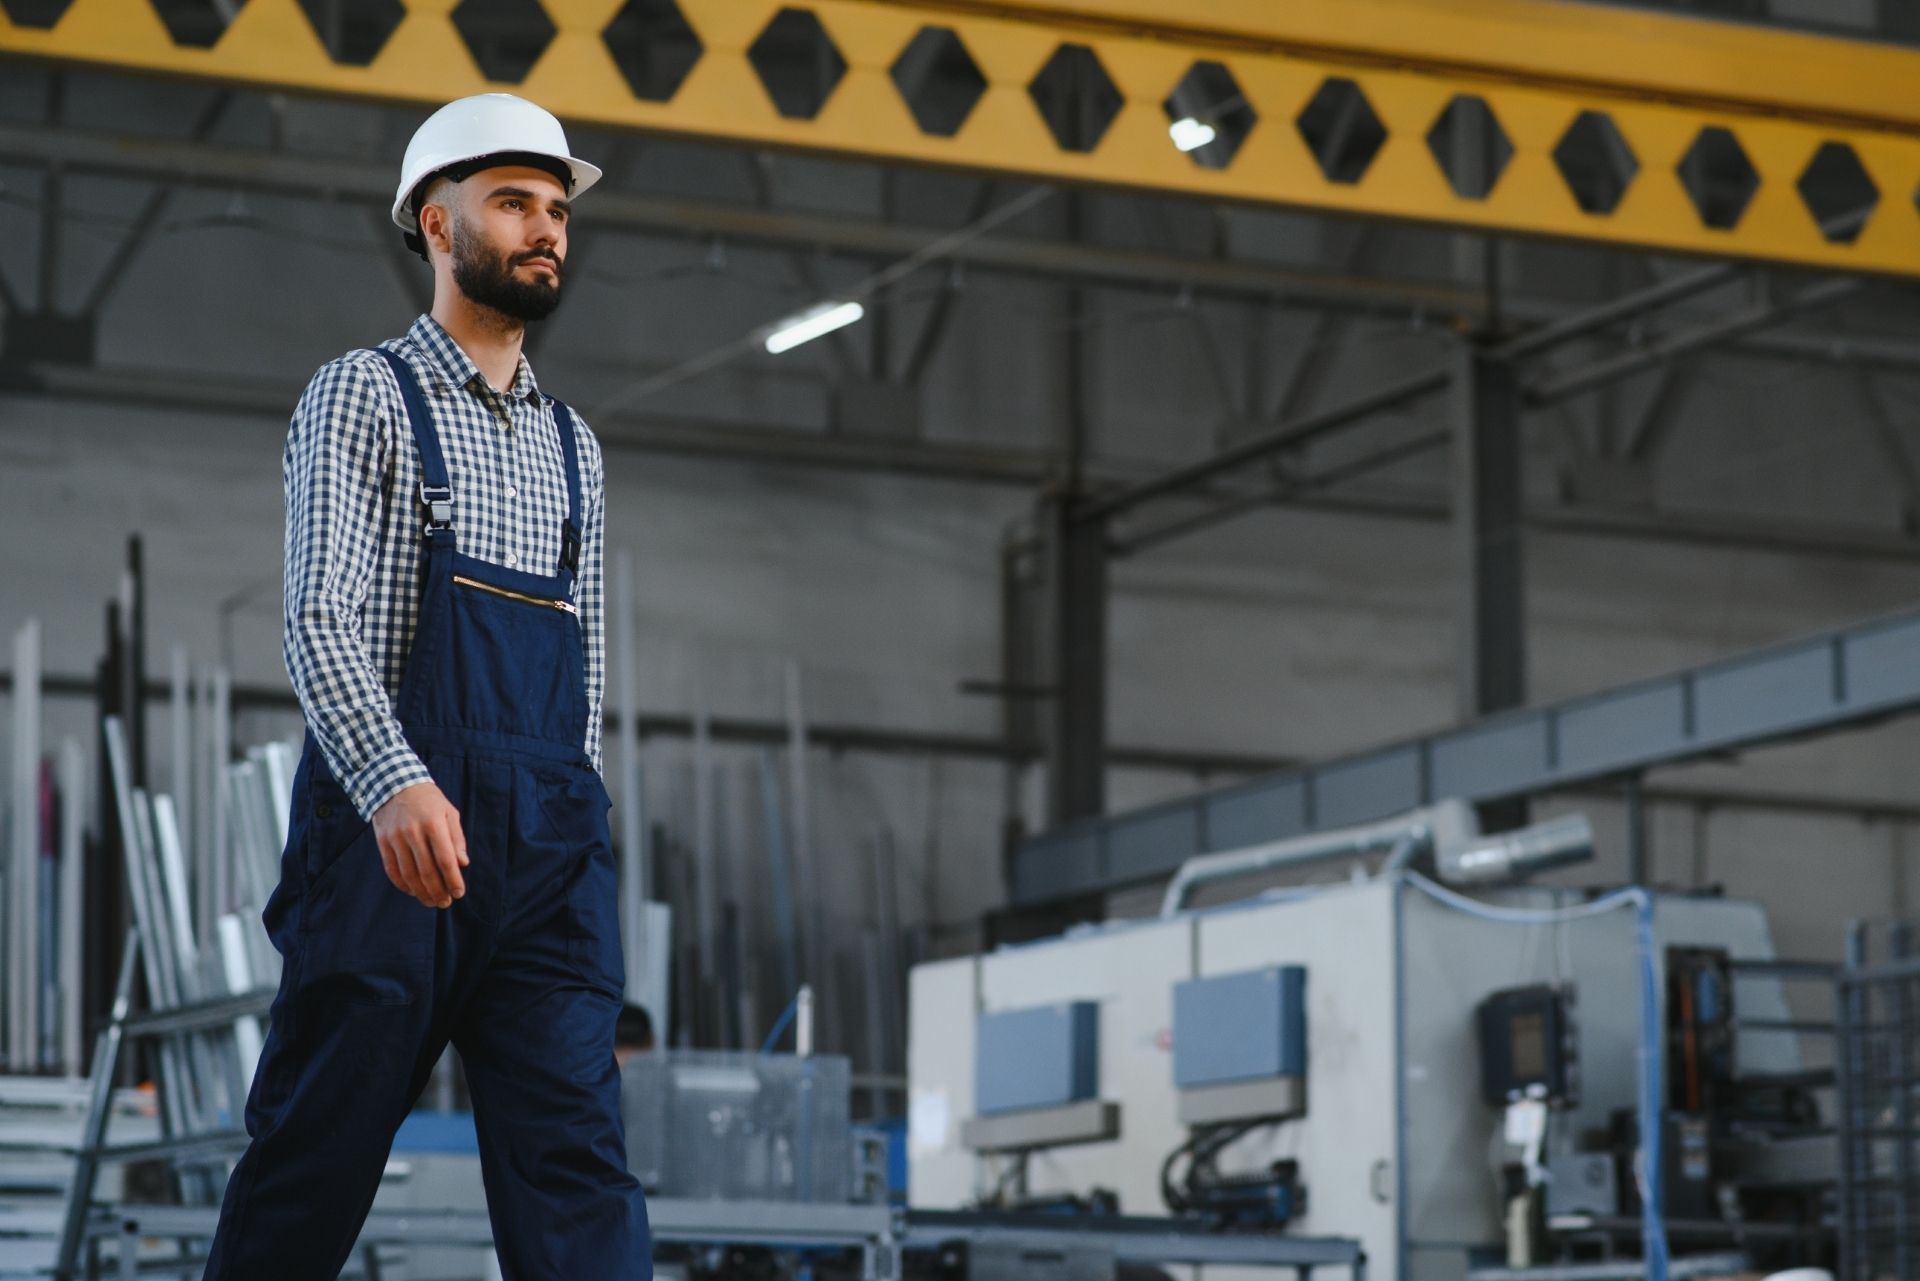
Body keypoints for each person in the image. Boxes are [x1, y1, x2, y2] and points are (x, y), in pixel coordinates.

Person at [202, 93, 651, 1280]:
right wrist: (397, 782)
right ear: (435, 226)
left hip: (548, 852)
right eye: (513, 203)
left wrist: (578, 815)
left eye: (556, 208)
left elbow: (586, 664)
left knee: (579, 1167)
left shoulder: (574, 447)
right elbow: (320, 619)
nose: (545, 227)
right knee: (316, 1153)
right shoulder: (365, 396)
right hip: (389, 846)